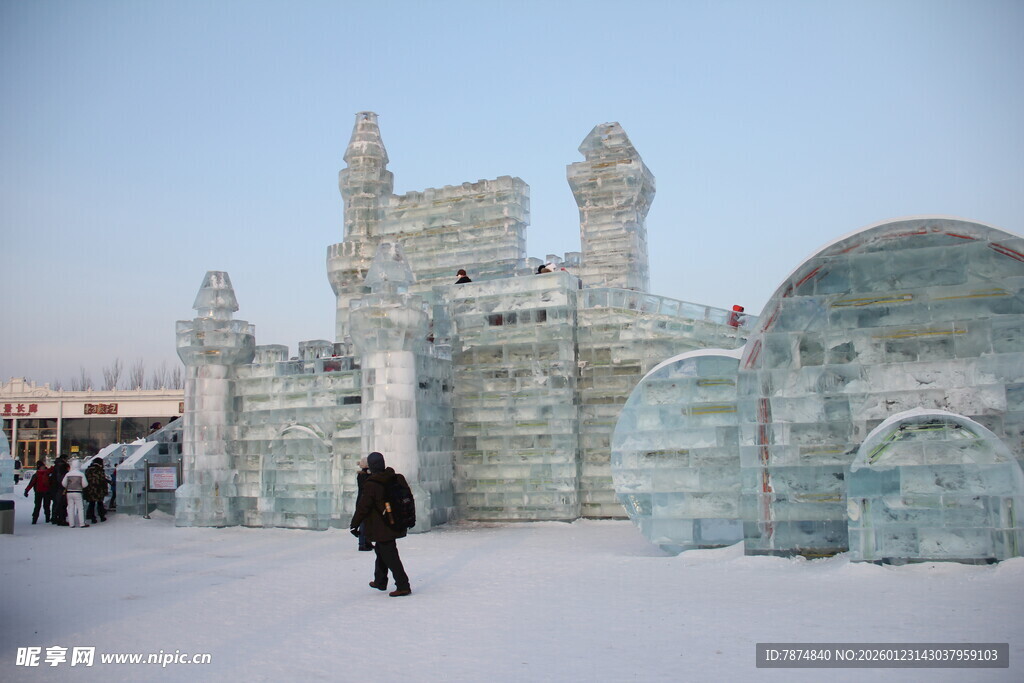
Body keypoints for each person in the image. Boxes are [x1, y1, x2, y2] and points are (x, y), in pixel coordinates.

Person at [349, 452, 411, 597]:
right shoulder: (396, 478)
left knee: (390, 555)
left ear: (371, 466)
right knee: (381, 551)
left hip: (381, 526)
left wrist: (354, 524)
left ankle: (403, 585)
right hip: (395, 522)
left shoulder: (372, 484)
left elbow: (363, 507)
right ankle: (380, 581)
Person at [62, 458, 90, 528]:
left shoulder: (68, 474)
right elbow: (85, 484)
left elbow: (63, 484)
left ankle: (71, 524)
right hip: (78, 492)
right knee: (80, 508)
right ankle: (82, 523)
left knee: (70, 508)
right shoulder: (81, 474)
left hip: (69, 492)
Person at [355, 457, 373, 551]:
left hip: (362, 501)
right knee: (364, 523)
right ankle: (362, 543)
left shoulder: (362, 475)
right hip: (363, 502)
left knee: (367, 522)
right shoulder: (364, 475)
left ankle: (367, 541)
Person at [84, 458, 109, 523]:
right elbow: (102, 480)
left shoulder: (88, 470)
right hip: (99, 489)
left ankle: (92, 517)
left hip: (90, 489)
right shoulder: (100, 470)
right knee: (100, 503)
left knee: (91, 503)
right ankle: (101, 516)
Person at [49, 456, 69, 526]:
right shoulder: (62, 467)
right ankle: (61, 518)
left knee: (56, 503)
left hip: (54, 487)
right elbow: (61, 479)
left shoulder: (56, 466)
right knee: (62, 503)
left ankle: (54, 517)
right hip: (60, 488)